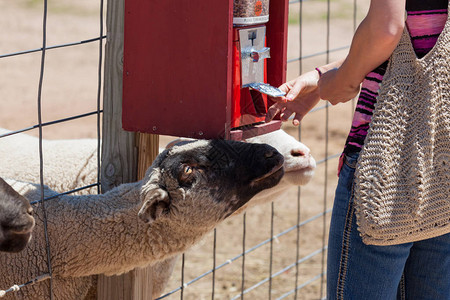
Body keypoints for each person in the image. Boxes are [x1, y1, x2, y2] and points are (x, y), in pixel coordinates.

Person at [265, 0, 449, 298]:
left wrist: (342, 81)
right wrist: (323, 74)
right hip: (441, 160)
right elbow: (420, 34)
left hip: (386, 164)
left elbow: (386, 29)